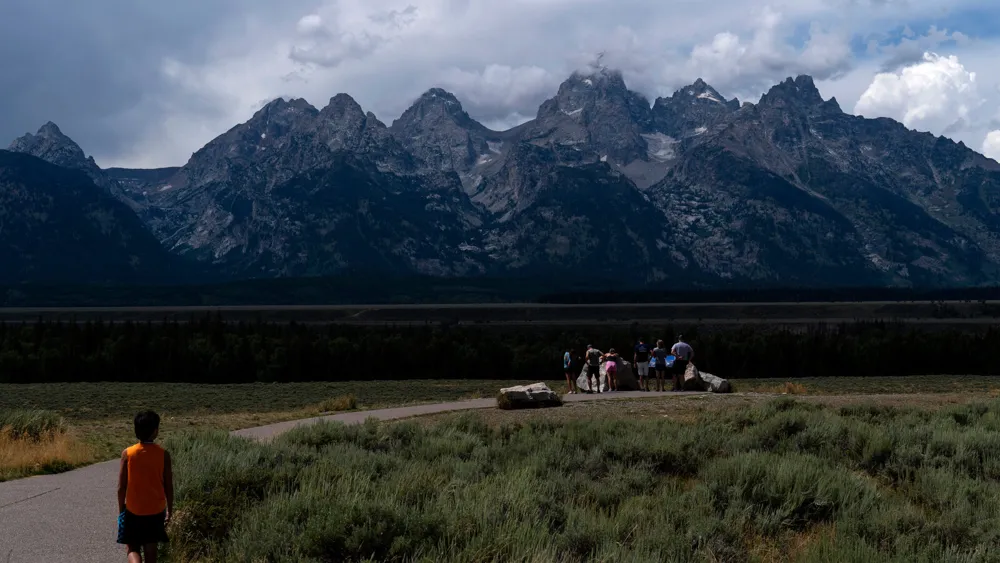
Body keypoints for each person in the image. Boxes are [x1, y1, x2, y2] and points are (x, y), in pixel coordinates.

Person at [118, 411, 174, 563]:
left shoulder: (128, 454)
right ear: (155, 431)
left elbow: (121, 487)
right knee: (151, 551)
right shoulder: (163, 455)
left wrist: (121, 509)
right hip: (155, 510)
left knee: (132, 548)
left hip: (133, 509)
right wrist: (170, 509)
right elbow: (169, 485)